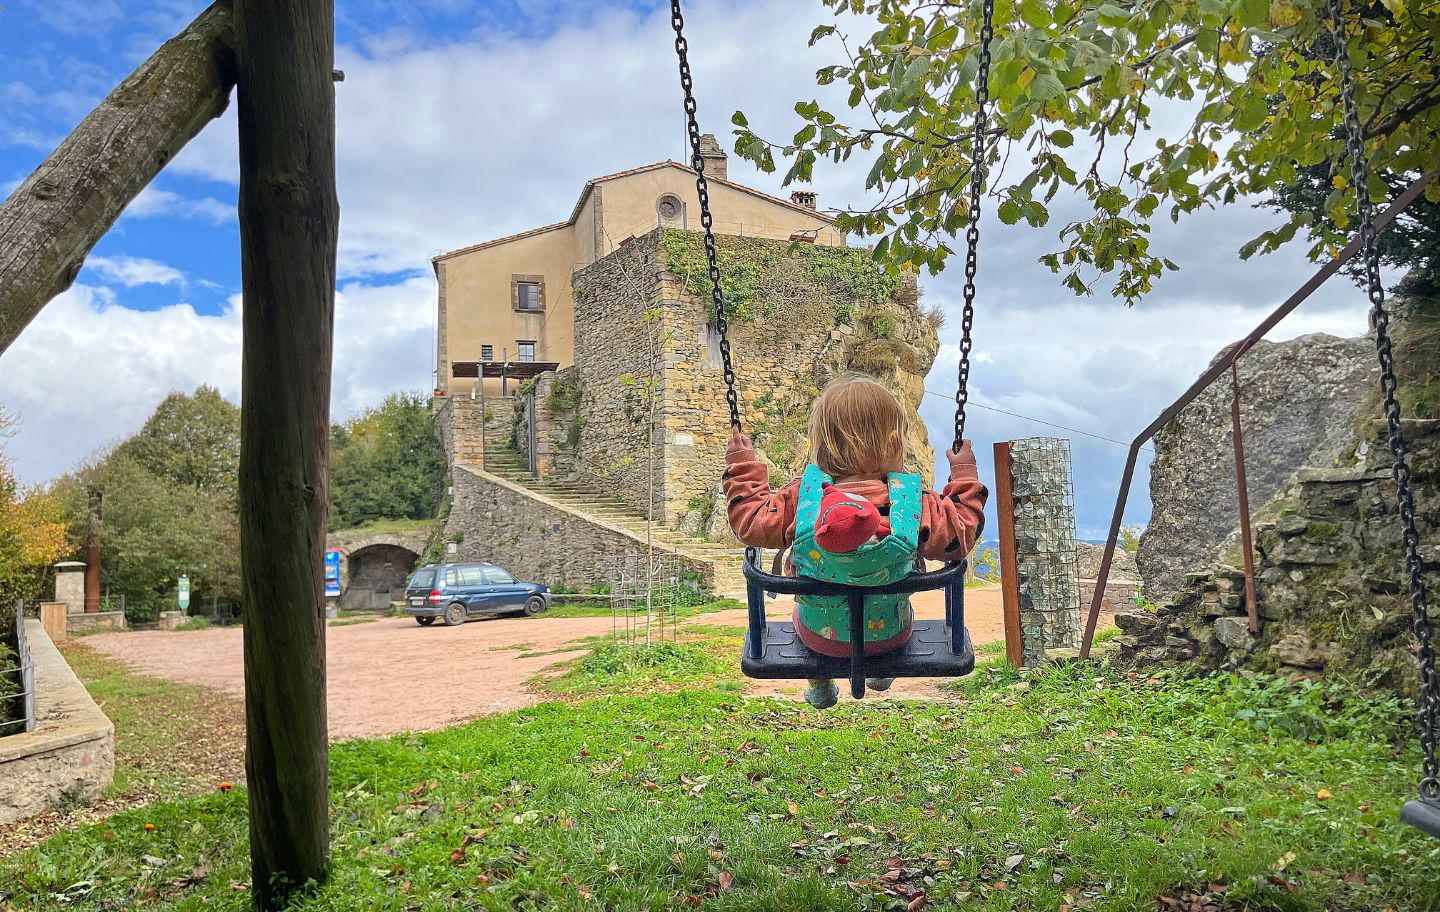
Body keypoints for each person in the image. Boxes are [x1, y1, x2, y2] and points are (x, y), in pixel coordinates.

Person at [722, 374, 988, 708]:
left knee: (814, 616)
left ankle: (820, 684)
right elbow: (963, 530)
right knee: (883, 612)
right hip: (890, 634)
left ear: (818, 445)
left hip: (819, 636)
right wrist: (964, 476)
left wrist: (743, 467)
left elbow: (749, 522)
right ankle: (880, 668)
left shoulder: (801, 502)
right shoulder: (914, 505)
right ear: (894, 443)